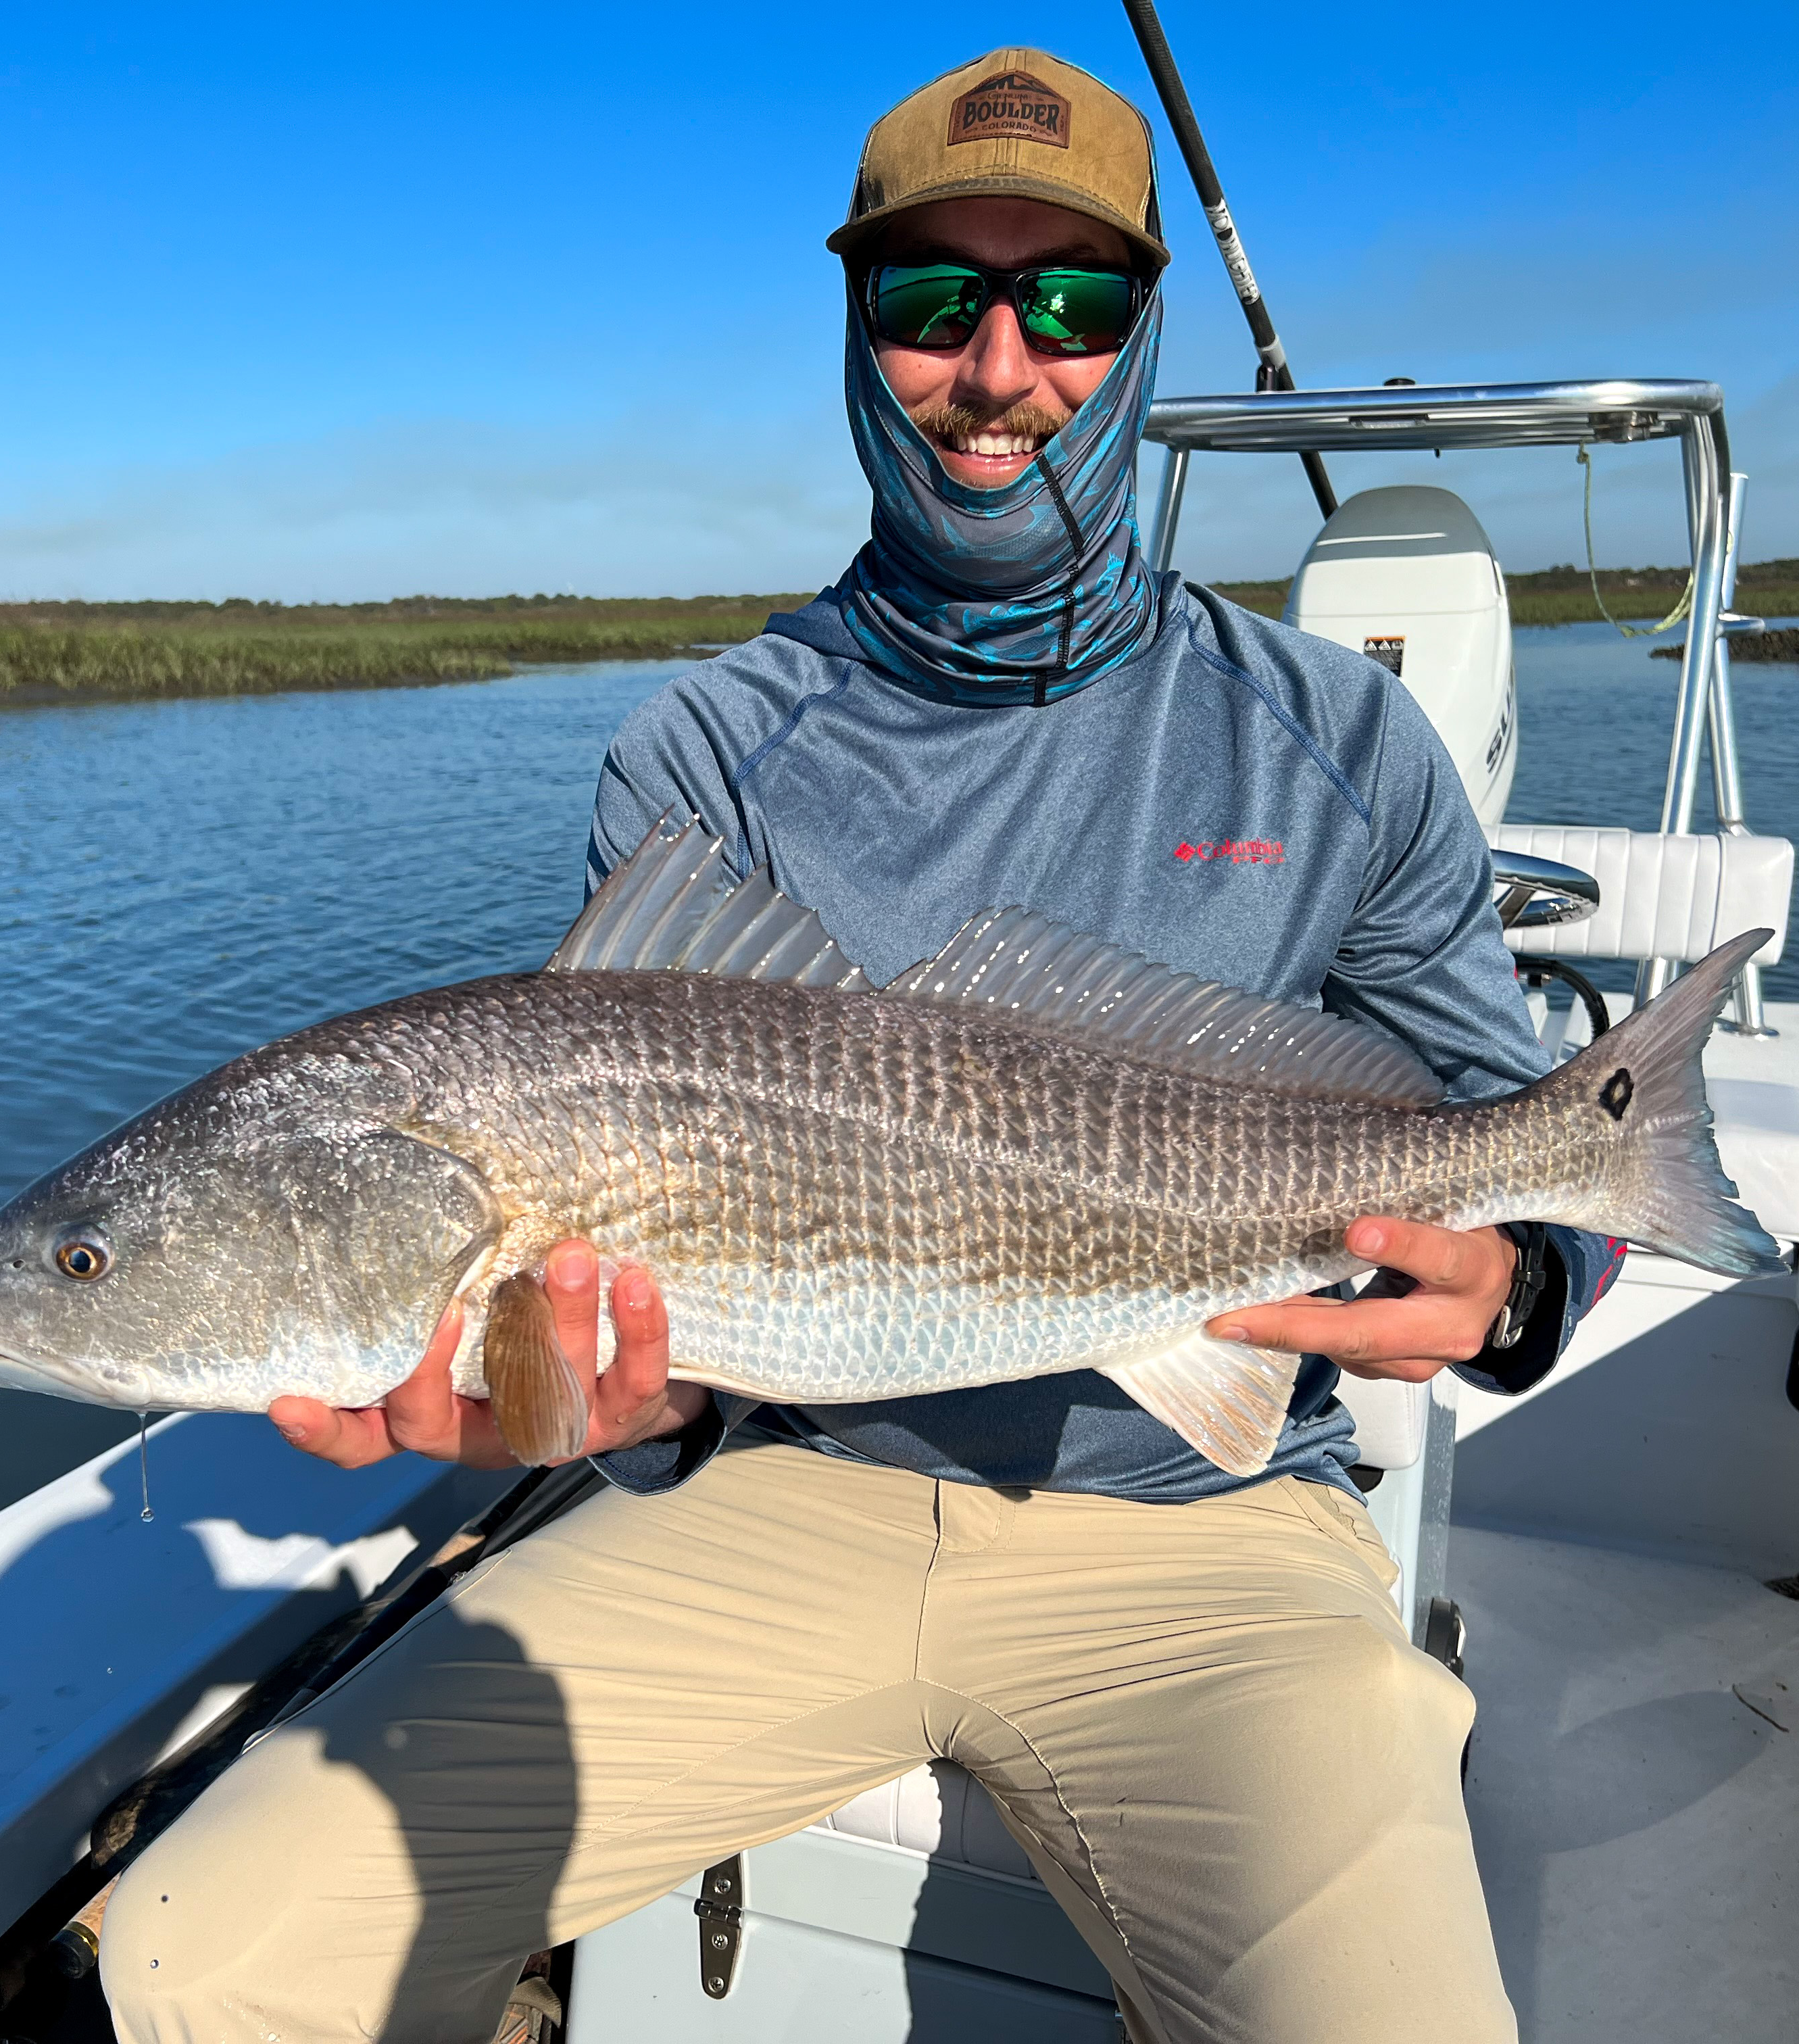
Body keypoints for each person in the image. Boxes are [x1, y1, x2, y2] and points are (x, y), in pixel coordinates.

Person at [103, 48, 1617, 2044]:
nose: (1000, 366)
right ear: (858, 332)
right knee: (200, 1957)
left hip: (1205, 1515)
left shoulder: (1339, 738)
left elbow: (1526, 1145)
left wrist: (1523, 1289)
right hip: (783, 1495)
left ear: (1141, 337)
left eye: (1068, 303)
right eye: (933, 301)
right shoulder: (709, 750)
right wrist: (597, 1401)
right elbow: (676, 1350)